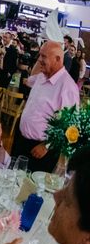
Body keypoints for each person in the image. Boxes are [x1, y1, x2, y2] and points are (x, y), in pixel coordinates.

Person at [12, 40, 79, 172]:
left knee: (31, 188)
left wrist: (46, 146)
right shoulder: (42, 76)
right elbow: (28, 80)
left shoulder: (68, 87)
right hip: (21, 140)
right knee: (12, 178)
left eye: (43, 56)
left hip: (40, 148)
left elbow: (70, 125)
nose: (39, 59)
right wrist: (42, 58)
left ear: (58, 59)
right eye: (39, 55)